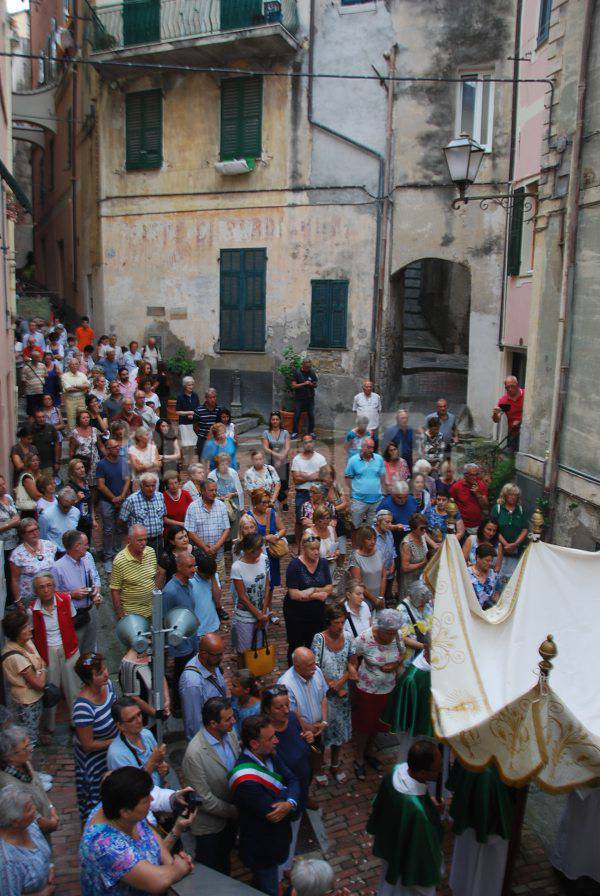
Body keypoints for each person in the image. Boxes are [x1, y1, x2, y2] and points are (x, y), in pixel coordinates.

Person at [79, 766, 193, 895]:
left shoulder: (118, 807)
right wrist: (178, 869)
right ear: (125, 812)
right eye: (145, 800)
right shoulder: (104, 844)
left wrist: (171, 862)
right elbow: (156, 881)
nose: (152, 799)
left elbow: (152, 839)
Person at [230, 713, 301, 895]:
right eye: (271, 738)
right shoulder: (245, 780)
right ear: (254, 744)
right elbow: (273, 813)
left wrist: (289, 802)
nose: (276, 741)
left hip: (276, 841)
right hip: (263, 849)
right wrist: (288, 799)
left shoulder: (270, 754)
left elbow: (293, 779)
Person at [367, 739, 444, 896]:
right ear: (423, 773)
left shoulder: (395, 772)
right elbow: (424, 855)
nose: (441, 770)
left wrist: (429, 804)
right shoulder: (418, 814)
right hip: (408, 866)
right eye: (437, 769)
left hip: (392, 847)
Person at [181, 696, 240, 872]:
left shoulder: (230, 734)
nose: (233, 721)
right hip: (210, 827)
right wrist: (234, 811)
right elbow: (204, 799)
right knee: (214, 868)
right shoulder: (195, 754)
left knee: (226, 859)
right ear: (213, 724)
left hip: (230, 820)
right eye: (228, 719)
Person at [261, 686, 313, 878]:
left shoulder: (292, 718)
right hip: (282, 799)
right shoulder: (265, 736)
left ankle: (287, 866)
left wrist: (309, 737)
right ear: (267, 710)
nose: (285, 710)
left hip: (301, 791)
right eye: (278, 707)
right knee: (280, 838)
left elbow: (306, 735)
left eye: (287, 705)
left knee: (294, 831)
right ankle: (278, 876)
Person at [349, 609, 405, 780]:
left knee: (379, 725)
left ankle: (370, 752)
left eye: (393, 633)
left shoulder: (397, 635)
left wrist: (395, 664)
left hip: (388, 688)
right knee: (364, 727)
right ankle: (358, 758)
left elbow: (402, 653)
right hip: (367, 689)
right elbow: (352, 655)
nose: (390, 636)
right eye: (388, 633)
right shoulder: (366, 638)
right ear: (379, 628)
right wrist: (353, 671)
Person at [448, 759, 517, 896]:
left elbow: (454, 783)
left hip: (469, 821)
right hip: (488, 825)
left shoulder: (468, 750)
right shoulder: (508, 763)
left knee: (468, 859)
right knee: (488, 868)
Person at [163, 552, 220, 703]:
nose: (193, 570)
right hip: (181, 641)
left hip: (192, 637)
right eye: (189, 567)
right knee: (181, 672)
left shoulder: (188, 584)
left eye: (193, 566)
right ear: (179, 567)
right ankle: (178, 703)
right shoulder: (170, 591)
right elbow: (165, 618)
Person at [30, 573, 80, 735]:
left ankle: (76, 721)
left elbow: (71, 622)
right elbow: (32, 632)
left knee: (74, 686)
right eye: (41, 587)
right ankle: (49, 725)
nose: (46, 590)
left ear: (54, 586)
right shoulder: (32, 610)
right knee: (51, 688)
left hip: (68, 647)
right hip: (47, 651)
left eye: (49, 585)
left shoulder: (65, 600)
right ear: (36, 591)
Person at [311, 604, 355, 783]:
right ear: (328, 623)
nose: (340, 626)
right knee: (322, 733)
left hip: (342, 694)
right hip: (324, 695)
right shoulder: (319, 639)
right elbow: (315, 666)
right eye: (337, 622)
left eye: (342, 622)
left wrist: (341, 683)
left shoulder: (349, 637)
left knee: (340, 731)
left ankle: (335, 765)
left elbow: (352, 663)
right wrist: (330, 684)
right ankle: (319, 767)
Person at [73, 651, 117, 821]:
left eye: (105, 669)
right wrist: (115, 741)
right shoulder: (83, 708)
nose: (106, 674)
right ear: (88, 680)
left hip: (111, 753)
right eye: (99, 673)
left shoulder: (109, 686)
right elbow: (88, 744)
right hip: (95, 761)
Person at [283, 531, 333, 665]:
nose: (316, 552)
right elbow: (294, 594)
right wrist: (317, 595)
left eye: (317, 549)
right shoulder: (294, 566)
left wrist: (313, 590)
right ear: (304, 549)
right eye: (312, 549)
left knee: (315, 642)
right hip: (296, 614)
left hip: (317, 613)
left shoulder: (322, 563)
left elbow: (329, 587)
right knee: (296, 644)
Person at [278, 647, 328, 779]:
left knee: (319, 750)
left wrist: (323, 721)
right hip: (301, 732)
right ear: (297, 666)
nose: (314, 667)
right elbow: (292, 715)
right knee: (303, 762)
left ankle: (318, 770)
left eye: (314, 663)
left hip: (318, 727)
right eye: (310, 665)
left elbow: (323, 697)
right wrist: (312, 728)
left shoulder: (317, 671)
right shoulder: (286, 684)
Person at [0, 726, 58, 838]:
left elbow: (39, 788)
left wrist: (50, 808)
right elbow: (32, 818)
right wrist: (52, 823)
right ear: (9, 757)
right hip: (32, 835)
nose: (31, 749)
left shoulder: (24, 762)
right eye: (25, 748)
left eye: (29, 744)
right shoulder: (8, 785)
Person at [0, 609, 46, 747]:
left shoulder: (28, 642)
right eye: (26, 627)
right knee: (29, 738)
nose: (30, 628)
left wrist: (40, 669)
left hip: (34, 698)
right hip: (27, 702)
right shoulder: (15, 657)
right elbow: (39, 683)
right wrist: (42, 669)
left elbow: (41, 661)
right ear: (17, 632)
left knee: (33, 729)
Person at [52, 530, 102, 654]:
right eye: (85, 544)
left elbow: (95, 577)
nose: (88, 546)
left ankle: (90, 670)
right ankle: (78, 671)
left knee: (91, 645)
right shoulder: (57, 568)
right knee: (76, 648)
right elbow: (53, 596)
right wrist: (71, 595)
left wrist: (96, 590)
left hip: (91, 609)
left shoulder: (88, 557)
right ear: (76, 546)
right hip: (74, 616)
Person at [0, 784, 54, 896]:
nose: (34, 810)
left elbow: (42, 852)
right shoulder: (8, 863)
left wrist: (50, 867)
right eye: (29, 809)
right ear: (15, 822)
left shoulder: (30, 825)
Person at [230, 532, 271, 666]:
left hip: (262, 613)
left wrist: (263, 613)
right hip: (245, 615)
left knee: (258, 647)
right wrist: (258, 615)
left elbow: (267, 586)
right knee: (244, 649)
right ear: (248, 550)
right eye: (256, 551)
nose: (260, 553)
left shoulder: (264, 559)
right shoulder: (237, 567)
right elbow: (242, 596)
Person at [107, 697, 167, 786]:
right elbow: (132, 788)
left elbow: (160, 764)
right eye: (132, 719)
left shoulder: (147, 734)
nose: (139, 721)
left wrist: (164, 768)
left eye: (139, 714)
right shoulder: (116, 755)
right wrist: (151, 761)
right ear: (120, 726)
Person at [179, 633, 228, 741]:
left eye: (222, 653)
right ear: (204, 654)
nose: (222, 658)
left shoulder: (211, 663)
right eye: (218, 655)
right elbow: (194, 722)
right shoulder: (192, 683)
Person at [184, 479, 231, 585]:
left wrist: (215, 547)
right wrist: (206, 549)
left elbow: (227, 529)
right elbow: (190, 532)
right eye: (211, 490)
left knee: (219, 585)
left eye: (215, 490)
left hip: (218, 555)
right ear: (202, 491)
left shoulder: (221, 505)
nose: (214, 493)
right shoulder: (193, 507)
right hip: (200, 557)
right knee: (201, 586)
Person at [96, 438, 131, 572]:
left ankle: (117, 553)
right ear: (108, 449)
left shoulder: (123, 462)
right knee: (108, 529)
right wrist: (113, 498)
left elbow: (128, 479)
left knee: (120, 527)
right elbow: (100, 484)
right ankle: (107, 556)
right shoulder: (102, 464)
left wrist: (122, 496)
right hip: (107, 502)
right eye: (115, 447)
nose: (118, 449)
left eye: (118, 446)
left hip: (121, 500)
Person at [110, 524, 157, 621]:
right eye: (140, 540)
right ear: (129, 540)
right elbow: (115, 590)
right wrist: (121, 616)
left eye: (145, 539)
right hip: (132, 615)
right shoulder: (120, 561)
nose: (143, 543)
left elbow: (153, 578)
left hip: (152, 611)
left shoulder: (151, 552)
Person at [247, 487, 286, 597]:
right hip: (256, 555)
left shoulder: (271, 513)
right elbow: (248, 539)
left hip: (271, 554)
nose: (266, 505)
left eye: (268, 502)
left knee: (270, 585)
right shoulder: (249, 517)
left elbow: (283, 529)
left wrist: (276, 536)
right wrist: (266, 538)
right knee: (258, 584)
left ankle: (269, 609)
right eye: (263, 502)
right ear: (255, 503)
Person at [9, 519, 57, 607]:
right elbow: (15, 580)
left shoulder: (50, 546)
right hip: (30, 597)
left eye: (36, 529)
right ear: (23, 534)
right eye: (31, 531)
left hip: (49, 593)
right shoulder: (17, 554)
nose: (35, 533)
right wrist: (18, 601)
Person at [118, 643, 170, 723]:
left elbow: (160, 672)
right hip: (142, 719)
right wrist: (155, 713)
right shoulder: (128, 666)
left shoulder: (149, 652)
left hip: (157, 708)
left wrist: (167, 700)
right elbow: (134, 698)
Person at [290, 436, 326, 543]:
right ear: (302, 444)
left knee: (319, 517)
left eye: (310, 442)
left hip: (318, 493)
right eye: (306, 442)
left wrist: (304, 476)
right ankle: (299, 546)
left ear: (313, 443)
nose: (308, 444)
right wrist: (313, 476)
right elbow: (296, 480)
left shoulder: (320, 458)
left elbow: (324, 476)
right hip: (302, 493)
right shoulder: (297, 459)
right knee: (299, 520)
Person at [119, 472, 166, 555]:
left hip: (157, 540)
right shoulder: (131, 500)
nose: (151, 489)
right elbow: (121, 521)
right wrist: (129, 535)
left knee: (157, 565)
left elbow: (163, 516)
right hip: (140, 542)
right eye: (147, 486)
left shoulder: (160, 497)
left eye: (153, 486)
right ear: (141, 486)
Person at [490, 483, 529, 582]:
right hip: (499, 549)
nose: (512, 497)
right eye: (510, 494)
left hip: (515, 550)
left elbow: (525, 528)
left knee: (511, 578)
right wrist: (506, 544)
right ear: (505, 495)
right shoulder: (497, 509)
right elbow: (493, 528)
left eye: (515, 495)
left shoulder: (520, 510)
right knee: (496, 575)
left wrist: (515, 544)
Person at [345, 437, 385, 531]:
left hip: (376, 500)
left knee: (373, 528)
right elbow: (348, 478)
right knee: (355, 527)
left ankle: (370, 545)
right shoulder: (353, 460)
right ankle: (355, 546)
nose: (371, 450)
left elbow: (382, 476)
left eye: (372, 448)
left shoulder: (379, 459)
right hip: (359, 500)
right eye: (368, 447)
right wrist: (356, 490)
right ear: (362, 447)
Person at [348, 524, 386, 612]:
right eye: (369, 539)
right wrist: (374, 600)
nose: (373, 542)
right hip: (364, 599)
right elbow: (359, 583)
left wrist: (380, 597)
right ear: (362, 540)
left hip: (379, 596)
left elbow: (383, 576)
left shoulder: (379, 553)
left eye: (374, 539)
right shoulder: (355, 557)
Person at [208, 451, 244, 540]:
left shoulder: (233, 472)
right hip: (219, 507)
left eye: (226, 464)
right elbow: (209, 494)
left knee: (235, 530)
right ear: (217, 465)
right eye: (222, 464)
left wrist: (232, 494)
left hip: (234, 505)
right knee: (223, 530)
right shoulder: (212, 475)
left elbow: (240, 490)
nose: (225, 466)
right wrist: (221, 498)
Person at [262, 411, 291, 509]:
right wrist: (278, 456)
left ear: (280, 420)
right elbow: (266, 448)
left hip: (284, 461)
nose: (275, 421)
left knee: (284, 483)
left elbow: (287, 447)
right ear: (270, 421)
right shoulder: (266, 433)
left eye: (277, 419)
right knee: (272, 482)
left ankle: (284, 502)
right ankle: (272, 500)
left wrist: (282, 457)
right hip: (271, 462)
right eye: (273, 419)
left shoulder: (285, 432)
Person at [38, 486, 81, 551]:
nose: (65, 510)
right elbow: (41, 538)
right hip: (53, 553)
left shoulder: (76, 512)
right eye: (63, 506)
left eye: (68, 507)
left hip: (71, 551)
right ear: (58, 500)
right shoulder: (46, 515)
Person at [450, 463, 489, 533]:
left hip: (477, 525)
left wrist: (478, 494)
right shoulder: (456, 487)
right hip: (461, 525)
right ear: (465, 475)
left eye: (476, 474)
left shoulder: (481, 485)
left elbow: (486, 506)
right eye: (472, 475)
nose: (475, 477)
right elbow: (450, 505)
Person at [69, 407, 104, 484]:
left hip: (94, 461)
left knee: (95, 484)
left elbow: (101, 446)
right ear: (79, 420)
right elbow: (71, 451)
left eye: (88, 417)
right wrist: (72, 464)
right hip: (82, 463)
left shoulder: (94, 430)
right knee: (83, 483)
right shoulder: (74, 433)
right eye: (83, 418)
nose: (86, 419)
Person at [399, 512, 428, 598]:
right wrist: (423, 563)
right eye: (422, 528)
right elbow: (405, 567)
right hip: (410, 581)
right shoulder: (407, 544)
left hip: (421, 579)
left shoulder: (422, 537)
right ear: (414, 528)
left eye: (425, 527)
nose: (424, 530)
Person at [0, 474, 20, 597]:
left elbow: (16, 515)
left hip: (15, 541)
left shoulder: (8, 497)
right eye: (0, 485)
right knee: (6, 573)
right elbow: (14, 520)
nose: (3, 487)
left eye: (3, 483)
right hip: (4, 545)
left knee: (15, 571)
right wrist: (11, 523)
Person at [492, 375, 524, 452]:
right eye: (507, 387)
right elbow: (496, 420)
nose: (510, 389)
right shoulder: (504, 401)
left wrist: (520, 421)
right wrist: (495, 414)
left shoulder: (526, 395)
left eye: (512, 386)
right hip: (514, 434)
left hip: (527, 433)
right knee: (512, 459)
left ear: (517, 385)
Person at [67, 458, 96, 541]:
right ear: (72, 472)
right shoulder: (70, 487)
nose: (82, 470)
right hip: (76, 522)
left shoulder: (86, 483)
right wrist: (76, 499)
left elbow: (91, 503)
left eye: (82, 467)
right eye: (78, 469)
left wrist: (93, 519)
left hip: (87, 520)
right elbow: (65, 506)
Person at [176, 375, 200, 467]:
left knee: (192, 445)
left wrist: (194, 414)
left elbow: (198, 409)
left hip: (193, 424)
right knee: (185, 445)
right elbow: (178, 411)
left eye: (192, 385)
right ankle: (184, 462)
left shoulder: (195, 396)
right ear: (185, 386)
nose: (191, 387)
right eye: (189, 385)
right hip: (184, 424)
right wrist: (188, 413)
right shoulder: (180, 397)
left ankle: (189, 463)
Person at [381, 409, 414, 474]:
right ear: (397, 419)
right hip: (395, 463)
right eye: (402, 418)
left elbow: (414, 446)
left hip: (409, 462)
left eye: (406, 418)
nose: (404, 420)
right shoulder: (390, 432)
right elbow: (384, 449)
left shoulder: (411, 430)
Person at [61, 354, 90, 430]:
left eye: (76, 364)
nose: (74, 366)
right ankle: (73, 438)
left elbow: (87, 386)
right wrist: (82, 387)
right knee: (71, 420)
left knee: (83, 418)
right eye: (72, 364)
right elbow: (68, 389)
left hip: (81, 399)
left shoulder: (82, 375)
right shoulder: (64, 376)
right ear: (69, 365)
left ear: (78, 365)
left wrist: (75, 386)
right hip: (70, 400)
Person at [468, 544, 501, 609]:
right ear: (477, 558)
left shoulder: (494, 576)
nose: (490, 563)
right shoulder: (467, 574)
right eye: (487, 560)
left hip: (488, 613)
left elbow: (497, 598)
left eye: (491, 561)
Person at [230, 669, 262, 736]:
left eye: (234, 686)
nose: (231, 688)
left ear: (246, 690)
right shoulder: (234, 700)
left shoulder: (258, 709)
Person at [375, 508, 397, 604]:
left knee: (387, 592)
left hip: (389, 571)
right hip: (377, 573)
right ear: (379, 522)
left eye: (391, 522)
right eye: (387, 522)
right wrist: (384, 571)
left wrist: (393, 564)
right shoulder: (372, 534)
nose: (390, 525)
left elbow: (392, 549)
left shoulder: (389, 533)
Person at [31, 407, 60, 477]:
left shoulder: (51, 428)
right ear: (35, 418)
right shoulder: (30, 429)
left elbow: (57, 445)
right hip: (35, 464)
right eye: (39, 417)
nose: (41, 419)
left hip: (48, 463)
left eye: (43, 417)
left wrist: (57, 462)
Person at [193, 387, 221, 461]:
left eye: (214, 397)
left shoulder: (219, 410)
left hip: (215, 440)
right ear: (206, 398)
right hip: (202, 440)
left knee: (216, 461)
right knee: (202, 461)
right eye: (210, 397)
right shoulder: (198, 410)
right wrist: (202, 434)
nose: (213, 399)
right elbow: (195, 426)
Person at [352, 380, 382, 446]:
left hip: (374, 427)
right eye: (366, 387)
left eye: (370, 387)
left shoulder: (377, 397)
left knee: (374, 444)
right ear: (363, 388)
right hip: (362, 427)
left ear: (372, 388)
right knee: (362, 445)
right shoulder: (357, 397)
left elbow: (379, 410)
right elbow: (354, 410)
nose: (368, 388)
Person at [15, 450, 42, 516]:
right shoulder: (26, 477)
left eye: (37, 460)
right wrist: (46, 495)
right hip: (29, 511)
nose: (36, 462)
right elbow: (35, 496)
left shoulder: (39, 475)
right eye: (33, 461)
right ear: (28, 463)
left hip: (38, 508)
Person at [22, 349, 47, 417]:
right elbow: (23, 380)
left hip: (41, 392)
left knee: (41, 410)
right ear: (32, 357)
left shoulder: (42, 366)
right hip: (31, 393)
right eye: (37, 357)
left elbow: (46, 375)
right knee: (31, 412)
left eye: (39, 357)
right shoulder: (26, 368)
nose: (38, 358)